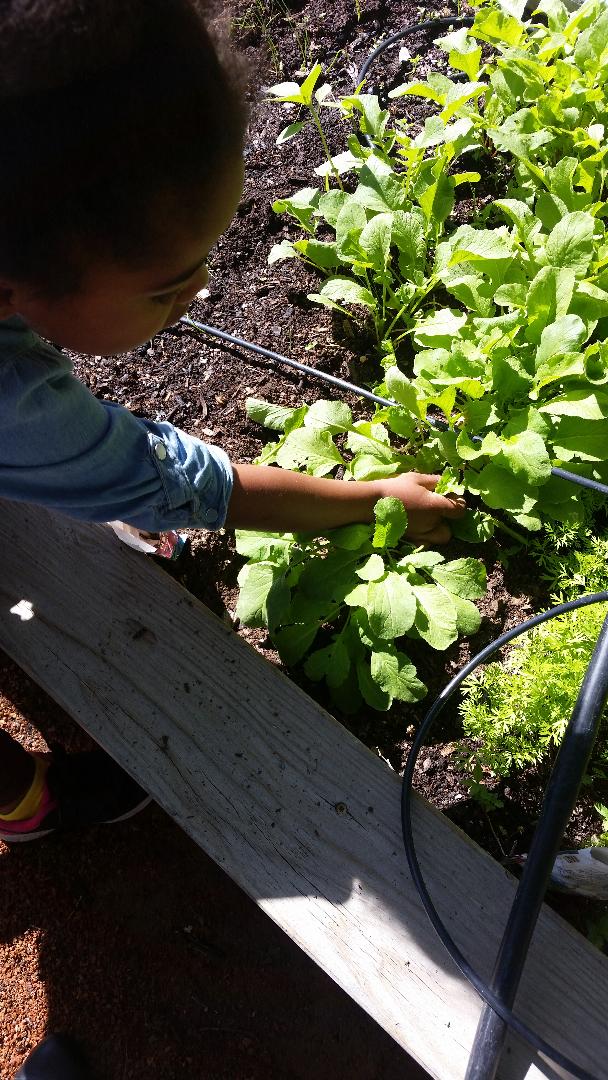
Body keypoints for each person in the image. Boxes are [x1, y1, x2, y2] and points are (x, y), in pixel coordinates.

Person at [0, 0, 465, 844]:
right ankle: (25, 800)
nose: (201, 292)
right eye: (167, 284)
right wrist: (376, 498)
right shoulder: (16, 408)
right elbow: (190, 483)